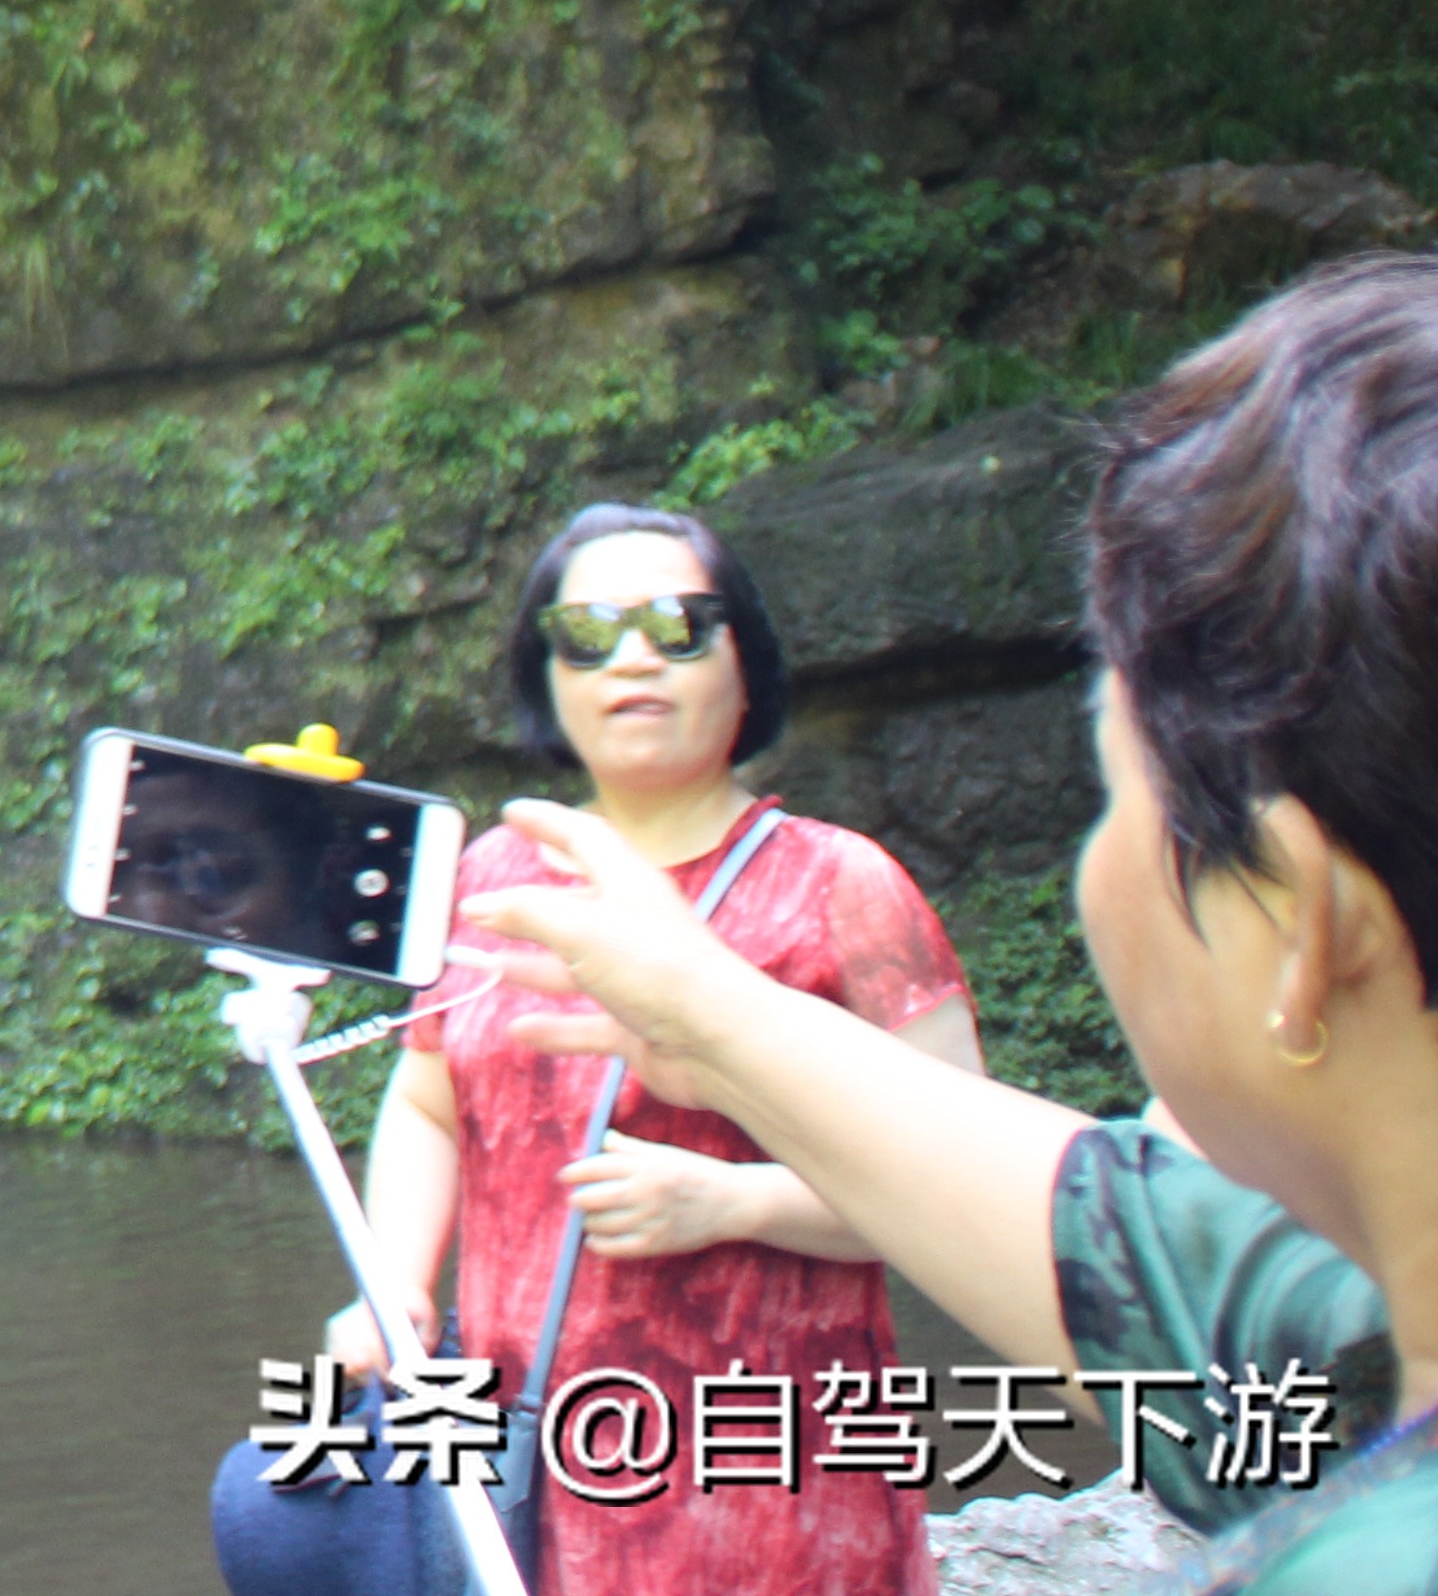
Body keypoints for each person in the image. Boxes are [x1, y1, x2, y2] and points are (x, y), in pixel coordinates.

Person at [470, 261, 1438, 1592]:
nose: (635, 664)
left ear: (1301, 929)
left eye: (1115, 798)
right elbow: (1109, 1244)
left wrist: (728, 1160)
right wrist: (717, 1017)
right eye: (590, 635)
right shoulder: (1348, 1317)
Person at [330, 502, 979, 1596]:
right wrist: (394, 1281)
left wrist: (739, 1202)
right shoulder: (496, 874)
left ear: (746, 667)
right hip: (527, 1449)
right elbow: (430, 1101)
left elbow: (967, 1174)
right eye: (588, 633)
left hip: (771, 1471)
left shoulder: (840, 885)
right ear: (549, 679)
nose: (634, 657)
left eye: (679, 625)